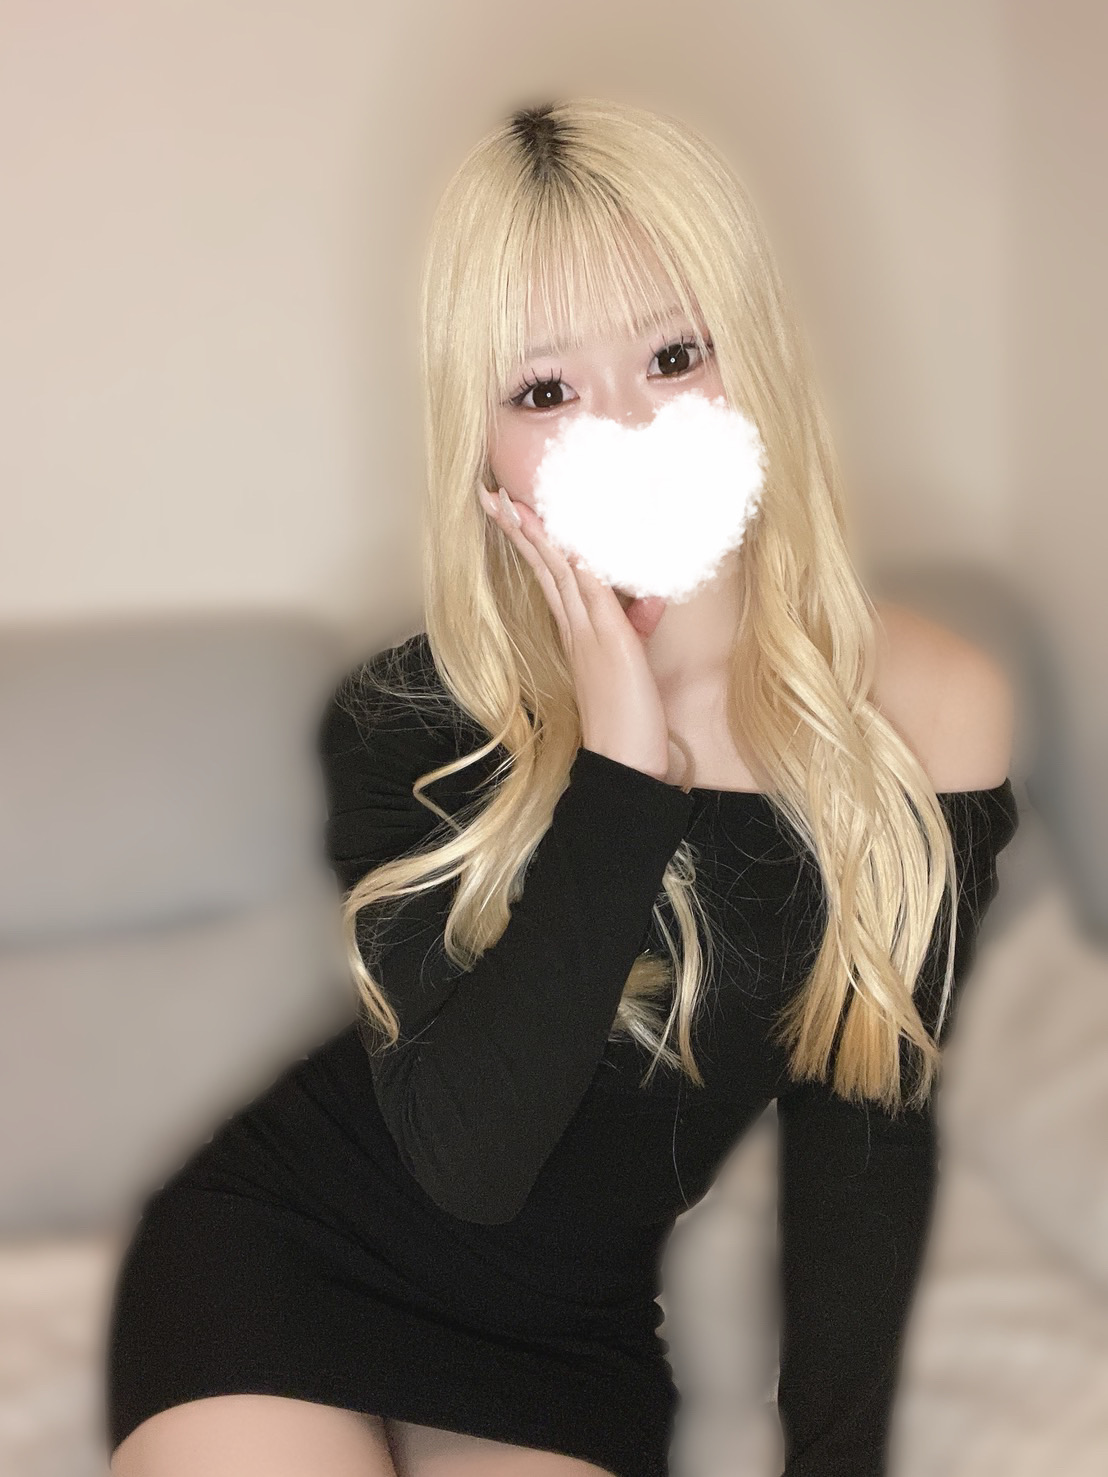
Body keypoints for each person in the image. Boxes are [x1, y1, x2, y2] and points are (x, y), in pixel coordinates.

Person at [105, 97, 1019, 1477]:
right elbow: (471, 1160)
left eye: (674, 354)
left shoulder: (930, 711)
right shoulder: (406, 718)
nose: (629, 429)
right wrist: (619, 775)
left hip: (565, 1336)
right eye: (544, 392)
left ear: (757, 361)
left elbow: (866, 1147)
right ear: (479, 448)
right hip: (285, 1255)